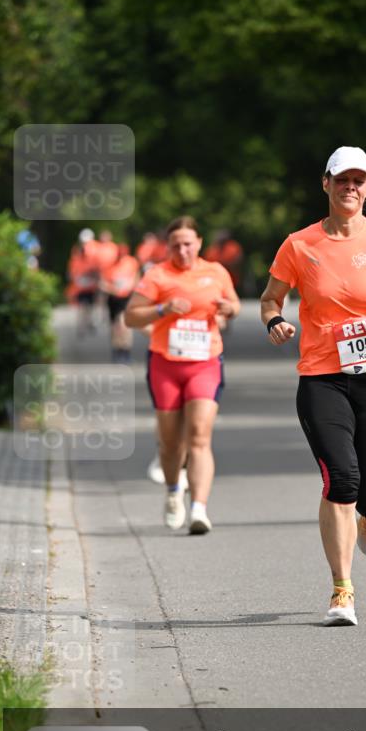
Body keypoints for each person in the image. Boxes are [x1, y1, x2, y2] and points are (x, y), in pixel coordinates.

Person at [260, 147, 366, 627]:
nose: (350, 187)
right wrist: (274, 319)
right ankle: (342, 590)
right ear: (326, 184)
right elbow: (271, 296)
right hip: (322, 377)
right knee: (342, 480)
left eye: (360, 181)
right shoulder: (299, 244)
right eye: (342, 180)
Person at [125, 216, 240, 534]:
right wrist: (162, 310)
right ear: (168, 246)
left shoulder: (215, 272)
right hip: (165, 363)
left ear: (199, 243)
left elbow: (233, 304)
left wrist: (228, 309)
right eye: (175, 245)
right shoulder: (157, 275)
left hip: (205, 362)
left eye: (188, 243)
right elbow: (131, 317)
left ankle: (199, 509)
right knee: (171, 442)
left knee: (200, 436)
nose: (183, 250)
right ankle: (174, 491)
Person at [99, 243, 140, 363]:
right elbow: (102, 283)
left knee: (124, 324)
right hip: (113, 299)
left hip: (126, 298)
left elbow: (137, 277)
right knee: (115, 327)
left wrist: (131, 286)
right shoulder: (109, 266)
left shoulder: (132, 262)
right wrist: (113, 289)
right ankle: (116, 350)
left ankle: (125, 350)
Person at [67, 228, 99, 335]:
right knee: (81, 306)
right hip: (80, 285)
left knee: (90, 305)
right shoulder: (76, 252)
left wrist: (94, 276)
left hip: (90, 285)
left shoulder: (95, 249)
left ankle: (89, 321)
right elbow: (72, 267)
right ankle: (81, 326)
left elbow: (96, 267)